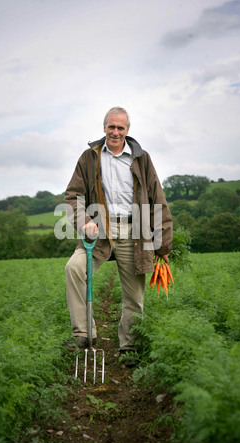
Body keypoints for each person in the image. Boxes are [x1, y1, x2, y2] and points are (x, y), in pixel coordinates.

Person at [63, 106, 172, 357]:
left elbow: (158, 199)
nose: (115, 132)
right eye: (111, 126)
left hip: (136, 232)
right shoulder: (89, 157)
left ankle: (129, 346)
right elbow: (73, 196)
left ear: (127, 130)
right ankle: (83, 333)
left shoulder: (141, 158)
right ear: (104, 128)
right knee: (74, 268)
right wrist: (84, 221)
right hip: (100, 230)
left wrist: (163, 244)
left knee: (134, 297)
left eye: (120, 127)